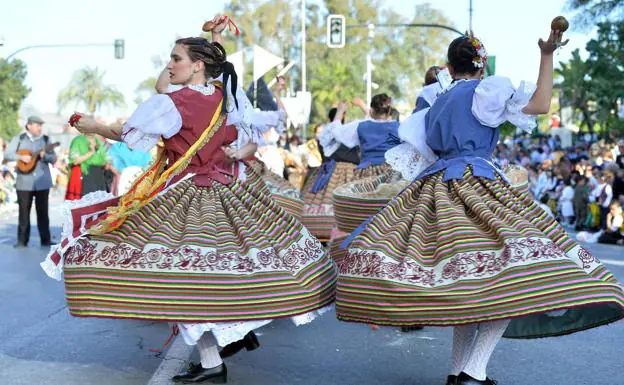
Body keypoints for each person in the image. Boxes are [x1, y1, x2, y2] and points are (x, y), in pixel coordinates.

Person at [41, 26, 337, 384]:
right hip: (231, 192)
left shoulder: (176, 103)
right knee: (216, 273)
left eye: (176, 59)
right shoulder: (226, 97)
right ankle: (226, 345)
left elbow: (129, 135)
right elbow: (245, 140)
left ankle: (219, 354)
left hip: (187, 195)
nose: (169, 65)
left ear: (197, 65)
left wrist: (94, 125)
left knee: (178, 279)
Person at [336, 30, 624, 385]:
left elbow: (423, 155)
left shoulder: (434, 105)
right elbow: (542, 104)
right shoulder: (485, 91)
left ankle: (458, 373)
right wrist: (547, 54)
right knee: (509, 278)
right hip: (478, 184)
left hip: (437, 189)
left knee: (467, 283)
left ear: (449, 67)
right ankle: (473, 371)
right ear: (480, 65)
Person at [300, 107, 361, 242]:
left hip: (325, 173)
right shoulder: (347, 134)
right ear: (343, 117)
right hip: (346, 173)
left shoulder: (324, 136)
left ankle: (317, 231)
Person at [3, 116, 57, 248]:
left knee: (43, 212)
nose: (40, 128)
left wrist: (46, 156)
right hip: (24, 181)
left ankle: (46, 239)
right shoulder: (19, 139)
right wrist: (21, 156)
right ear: (29, 126)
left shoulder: (45, 140)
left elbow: (54, 158)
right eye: (37, 125)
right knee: (23, 212)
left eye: (41, 125)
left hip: (42, 182)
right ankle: (22, 240)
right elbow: (7, 154)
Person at [66, 133, 108, 198]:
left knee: (100, 201)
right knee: (87, 202)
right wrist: (91, 152)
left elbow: (105, 159)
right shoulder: (78, 140)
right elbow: (75, 161)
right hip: (85, 174)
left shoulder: (98, 140)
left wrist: (107, 163)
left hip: (99, 174)